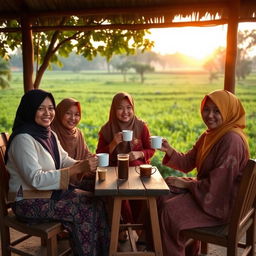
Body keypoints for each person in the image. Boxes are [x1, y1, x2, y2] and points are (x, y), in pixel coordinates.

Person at [5, 89, 109, 256]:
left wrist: (84, 164)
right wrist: (77, 169)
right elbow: (36, 179)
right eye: (41, 108)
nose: (48, 113)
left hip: (48, 193)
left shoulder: (49, 134)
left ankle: (101, 252)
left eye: (51, 108)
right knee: (85, 209)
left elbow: (64, 159)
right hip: (27, 200)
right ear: (29, 109)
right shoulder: (22, 139)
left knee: (97, 200)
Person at [157, 89, 250, 256]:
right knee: (160, 195)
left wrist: (186, 183)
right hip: (208, 194)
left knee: (169, 212)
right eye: (206, 109)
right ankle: (174, 249)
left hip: (222, 204)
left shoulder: (232, 140)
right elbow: (187, 163)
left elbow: (219, 186)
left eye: (217, 110)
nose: (209, 115)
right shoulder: (210, 135)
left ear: (228, 111)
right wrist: (169, 150)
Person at [96, 91, 155, 242]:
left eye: (129, 107)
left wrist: (140, 154)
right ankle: (125, 226)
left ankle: (138, 228)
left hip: (137, 170)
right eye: (120, 108)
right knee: (121, 197)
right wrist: (114, 143)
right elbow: (99, 155)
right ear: (113, 110)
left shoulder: (141, 126)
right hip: (115, 172)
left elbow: (151, 149)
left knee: (142, 197)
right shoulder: (107, 129)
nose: (125, 112)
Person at [51, 98, 95, 190]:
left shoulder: (78, 133)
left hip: (78, 178)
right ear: (59, 113)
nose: (73, 118)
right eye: (68, 113)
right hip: (57, 184)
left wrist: (95, 160)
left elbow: (86, 154)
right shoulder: (51, 133)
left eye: (77, 114)